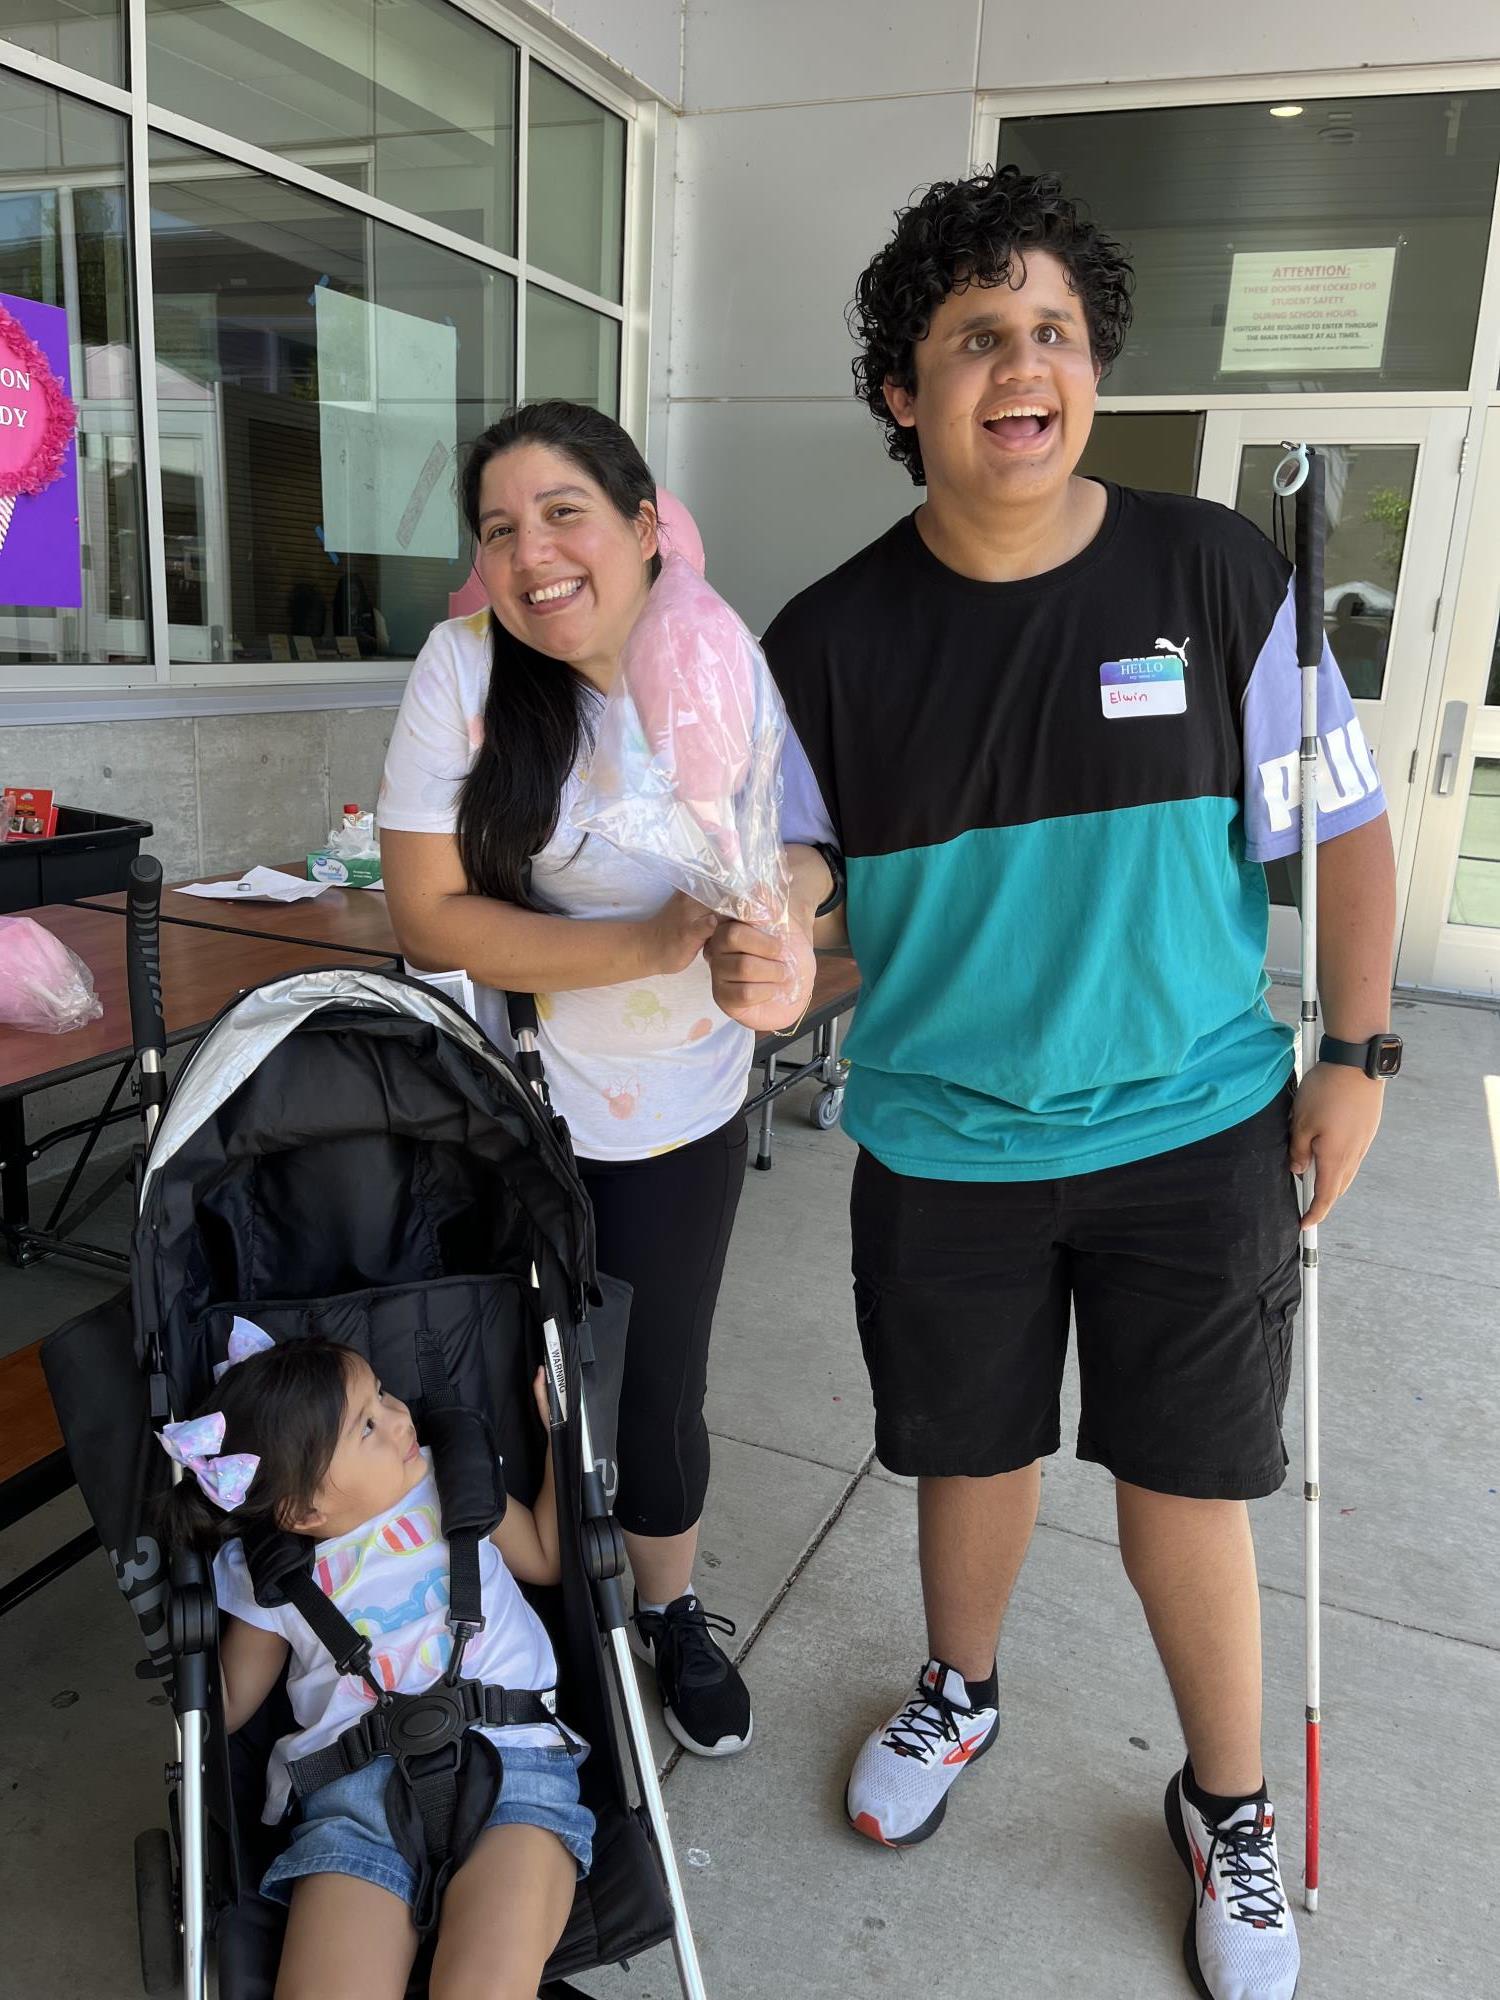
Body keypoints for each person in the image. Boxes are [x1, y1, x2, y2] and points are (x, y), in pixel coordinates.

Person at [706, 168, 1399, 2000]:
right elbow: (806, 901)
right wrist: (770, 950)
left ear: (1092, 367)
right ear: (902, 393)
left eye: (1056, 333)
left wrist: (1357, 1053)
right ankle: (962, 1691)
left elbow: (1345, 832)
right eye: (976, 337)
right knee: (968, 1453)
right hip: (947, 1144)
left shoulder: (1212, 573)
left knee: (1191, 1477)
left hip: (1195, 1131)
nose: (1025, 366)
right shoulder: (828, 646)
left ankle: (1227, 1807)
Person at [377, 402, 833, 1759]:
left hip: (680, 1104)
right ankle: (549, 1623)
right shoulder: (461, 672)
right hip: (506, 1107)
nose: (534, 553)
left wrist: (781, 925)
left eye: (565, 513)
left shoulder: (715, 659)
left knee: (655, 1380)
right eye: (501, 529)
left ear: (642, 527)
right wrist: (637, 941)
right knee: (516, 1376)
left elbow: (803, 845)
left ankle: (670, 1608)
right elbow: (427, 915)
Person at [155, 1331, 591, 2000]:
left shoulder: (458, 1487)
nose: (398, 1418)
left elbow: (547, 1557)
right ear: (303, 1510)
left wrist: (564, 1436)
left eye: (383, 1394)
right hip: (355, 1800)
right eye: (365, 1426)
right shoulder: (270, 1576)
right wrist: (174, 1614)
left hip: (515, 1766)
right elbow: (227, 1704)